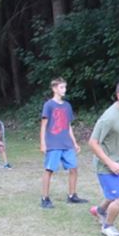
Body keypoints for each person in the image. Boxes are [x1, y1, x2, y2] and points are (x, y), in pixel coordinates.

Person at [88, 79, 119, 236]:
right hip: (106, 166)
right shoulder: (109, 118)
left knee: (113, 195)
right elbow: (92, 143)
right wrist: (110, 163)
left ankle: (100, 211)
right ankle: (107, 227)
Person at [40, 78, 88, 208]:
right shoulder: (49, 105)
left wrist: (75, 142)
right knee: (49, 170)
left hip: (67, 144)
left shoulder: (67, 105)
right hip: (53, 144)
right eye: (61, 87)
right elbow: (43, 126)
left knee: (73, 168)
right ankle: (45, 198)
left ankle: (72, 196)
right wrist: (43, 143)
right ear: (54, 89)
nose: (64, 90)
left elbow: (68, 126)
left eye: (65, 87)